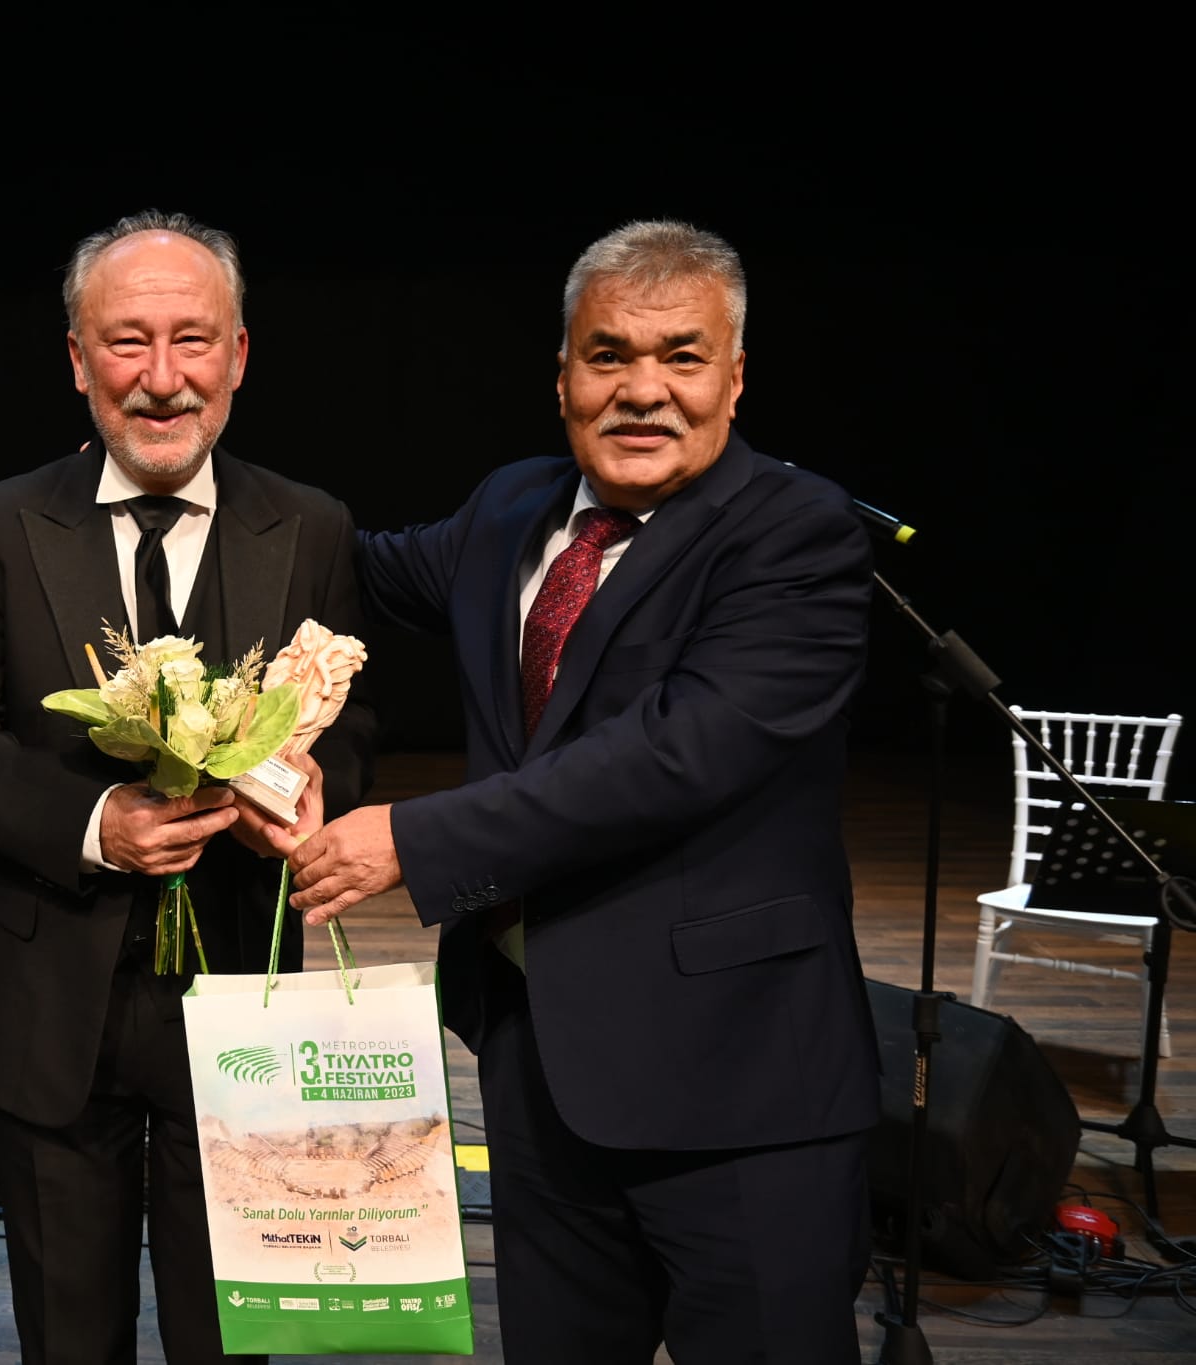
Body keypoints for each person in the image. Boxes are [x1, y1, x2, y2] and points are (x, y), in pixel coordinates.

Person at [287, 221, 879, 1364]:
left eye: (680, 357)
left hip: (738, 1087)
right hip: (537, 1067)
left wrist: (412, 838)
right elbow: (352, 564)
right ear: (561, 376)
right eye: (607, 355)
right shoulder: (511, 507)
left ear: (734, 377)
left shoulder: (796, 534)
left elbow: (672, 757)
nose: (641, 391)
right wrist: (199, 485)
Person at [0, 210, 374, 1364]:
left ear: (237, 355)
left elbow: (353, 729)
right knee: (70, 1337)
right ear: (77, 359)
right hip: (49, 1005)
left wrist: (306, 787)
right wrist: (94, 823)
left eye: (191, 340)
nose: (162, 378)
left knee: (231, 1340)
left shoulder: (310, 525)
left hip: (244, 1003)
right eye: (127, 342)